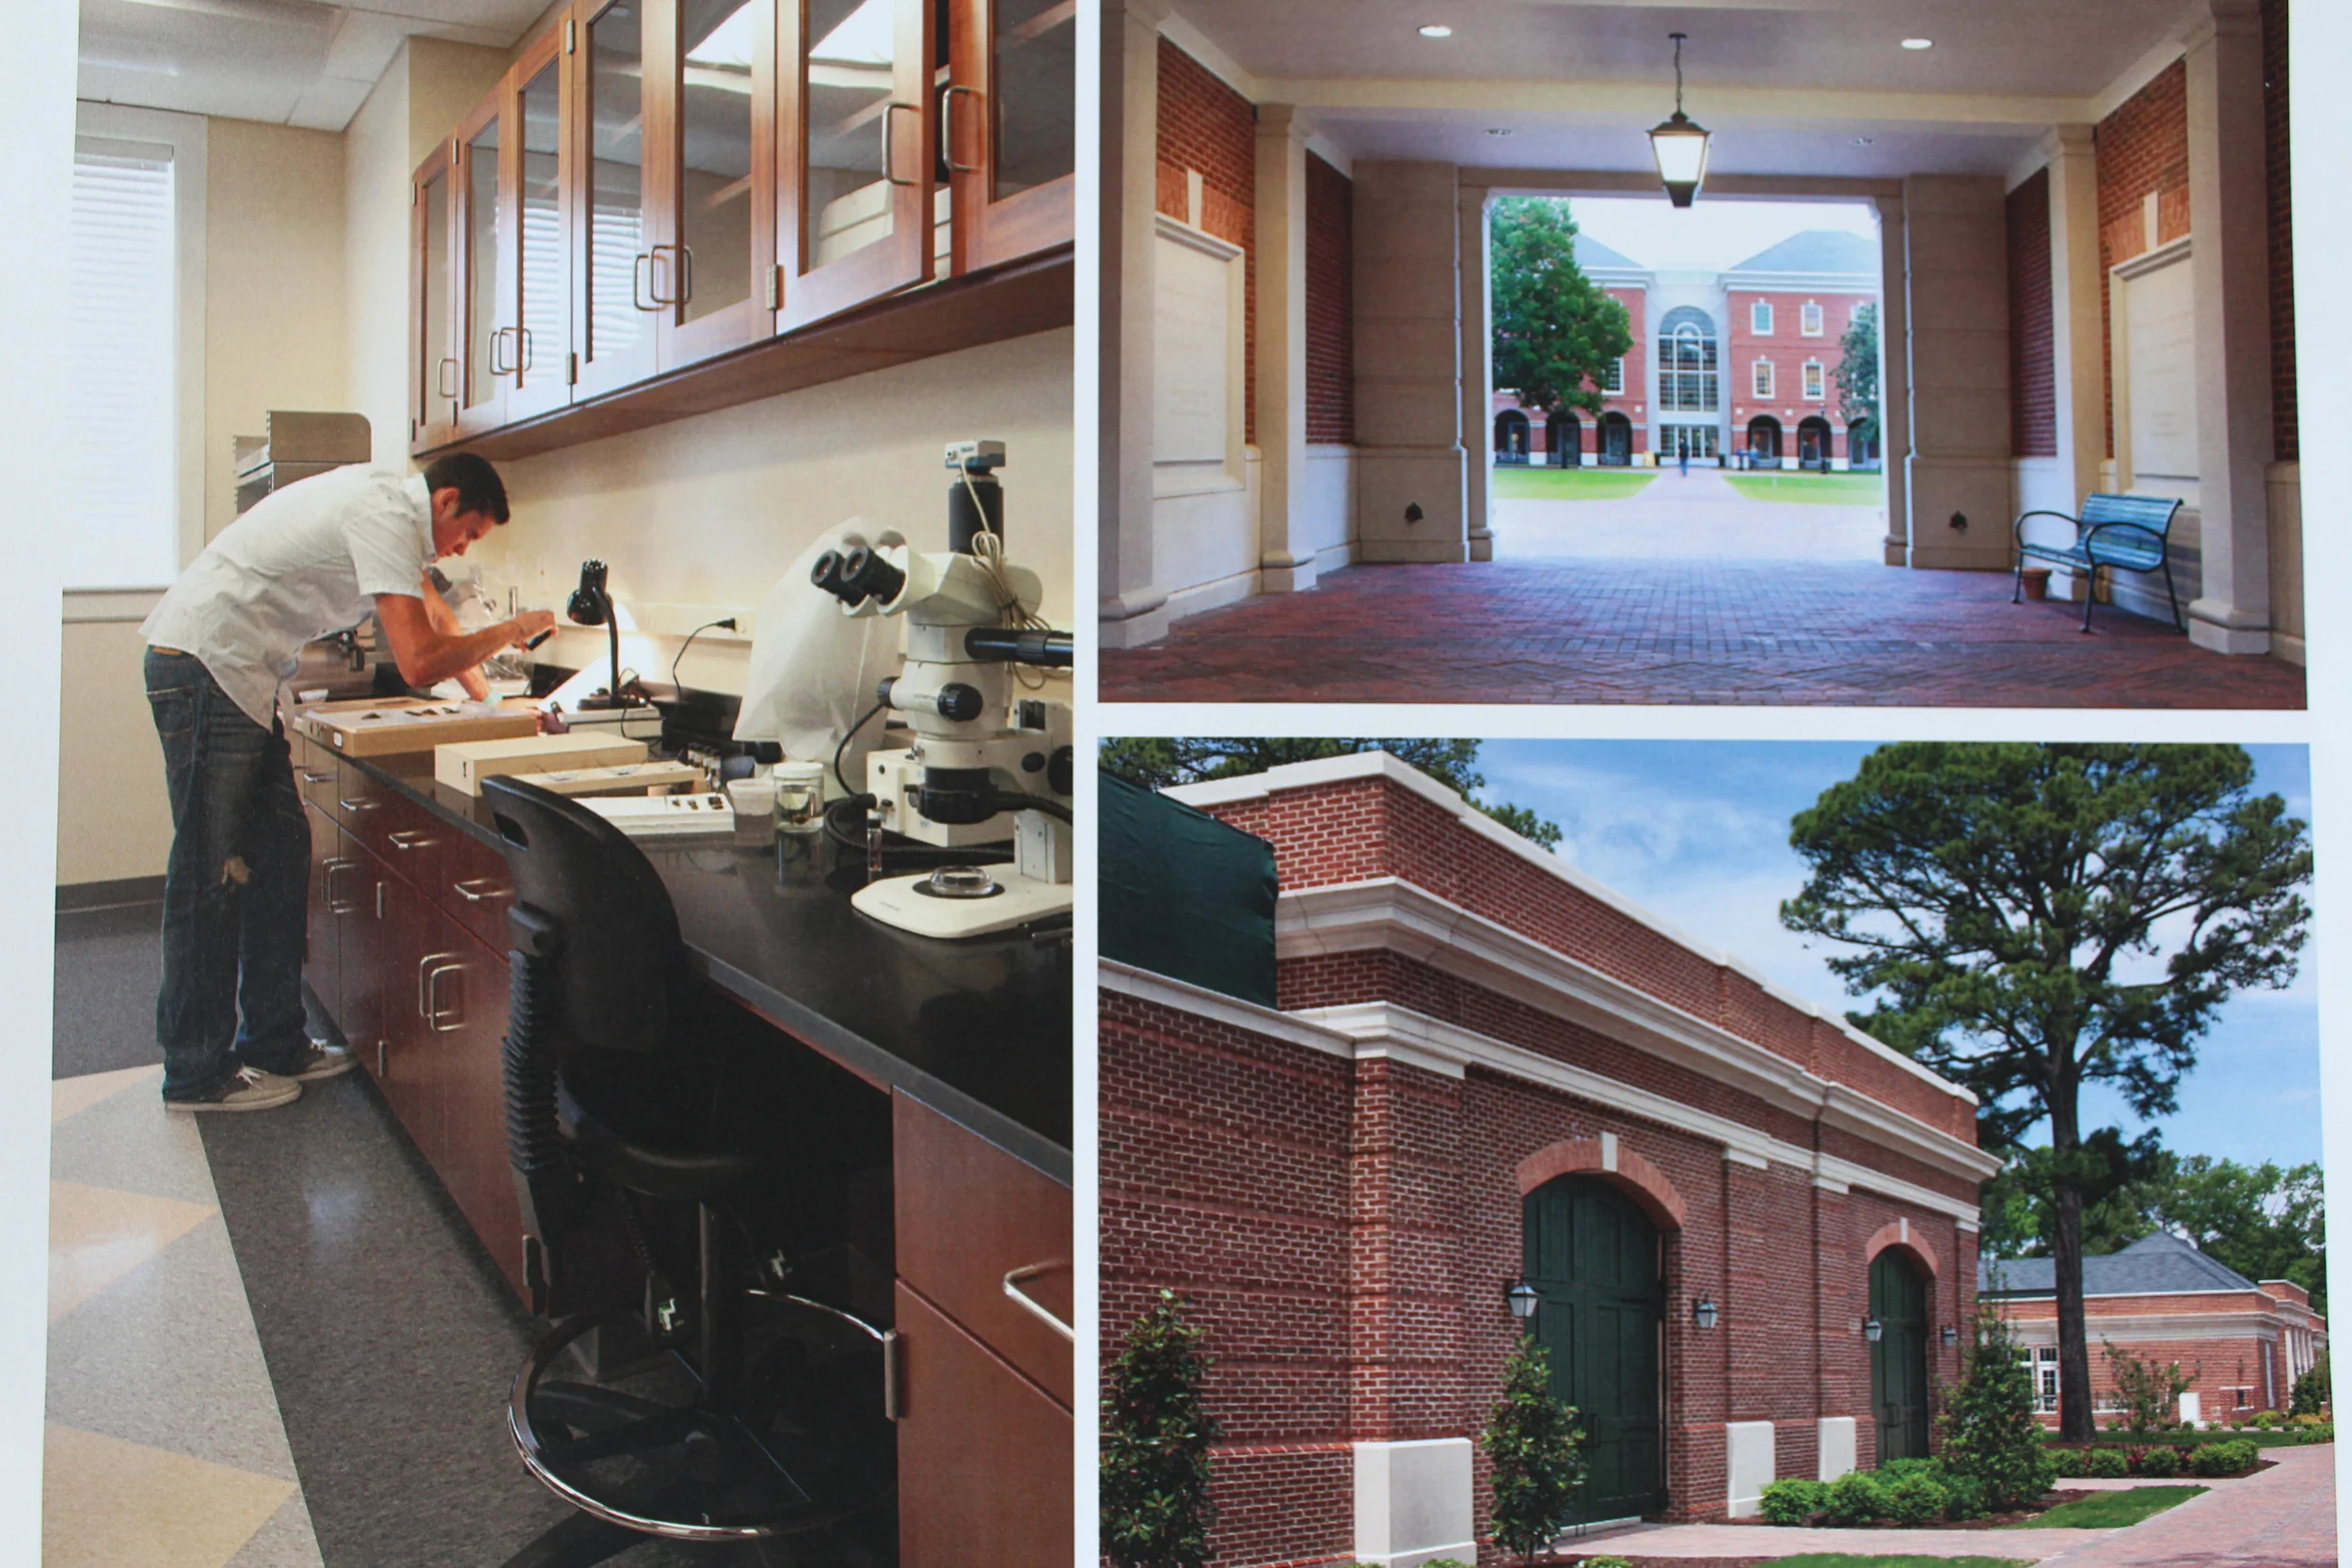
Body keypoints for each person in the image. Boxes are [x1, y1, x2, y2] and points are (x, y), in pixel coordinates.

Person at [140, 452, 558, 1111]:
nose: (463, 547)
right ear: (446, 500)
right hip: (206, 663)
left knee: (280, 858)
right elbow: (420, 660)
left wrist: (497, 710)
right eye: (470, 533)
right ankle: (196, 1070)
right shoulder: (386, 513)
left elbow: (439, 622)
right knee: (211, 873)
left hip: (238, 676)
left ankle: (274, 1040)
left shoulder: (397, 518)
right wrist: (512, 629)